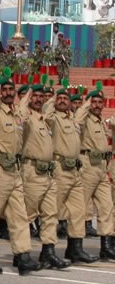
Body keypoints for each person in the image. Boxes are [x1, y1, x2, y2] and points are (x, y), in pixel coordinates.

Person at [0, 76, 42, 275]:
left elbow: (24, 108)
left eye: (9, 89)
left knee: (20, 215)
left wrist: (27, 95)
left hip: (14, 169)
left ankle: (22, 256)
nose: (7, 93)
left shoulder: (16, 114)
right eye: (3, 90)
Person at [44, 88, 98, 263]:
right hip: (60, 169)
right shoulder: (52, 119)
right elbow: (46, 110)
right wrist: (52, 98)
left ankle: (75, 248)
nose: (61, 101)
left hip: (75, 171)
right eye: (58, 98)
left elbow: (82, 112)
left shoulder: (73, 120)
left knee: (78, 211)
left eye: (64, 98)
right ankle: (47, 250)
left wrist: (89, 100)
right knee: (53, 211)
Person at [21, 85, 70, 269]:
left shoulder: (44, 120)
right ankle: (22, 254)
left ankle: (48, 252)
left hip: (48, 174)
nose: (39, 99)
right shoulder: (27, 119)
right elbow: (21, 113)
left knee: (51, 214)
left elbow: (50, 107)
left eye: (41, 97)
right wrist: (26, 97)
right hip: (33, 172)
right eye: (36, 96)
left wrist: (54, 97)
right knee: (27, 215)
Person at [76, 88, 115, 260]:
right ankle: (74, 246)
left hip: (101, 167)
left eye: (100, 102)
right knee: (81, 207)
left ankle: (105, 246)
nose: (97, 106)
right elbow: (77, 119)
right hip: (87, 166)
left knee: (107, 208)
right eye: (94, 102)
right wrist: (87, 102)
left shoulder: (100, 121)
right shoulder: (84, 119)